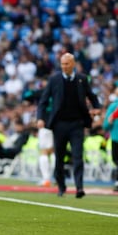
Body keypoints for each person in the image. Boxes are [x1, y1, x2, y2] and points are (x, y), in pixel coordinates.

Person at [37, 53, 101, 198]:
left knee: (78, 156)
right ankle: (61, 186)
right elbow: (43, 100)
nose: (64, 67)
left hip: (77, 124)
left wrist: (96, 107)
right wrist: (40, 118)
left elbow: (92, 96)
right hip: (59, 124)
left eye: (67, 64)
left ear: (73, 64)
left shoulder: (82, 79)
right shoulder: (54, 79)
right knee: (59, 157)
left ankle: (79, 187)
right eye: (62, 64)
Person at [103, 87, 118, 191]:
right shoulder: (113, 106)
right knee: (116, 159)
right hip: (116, 138)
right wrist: (110, 120)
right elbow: (105, 125)